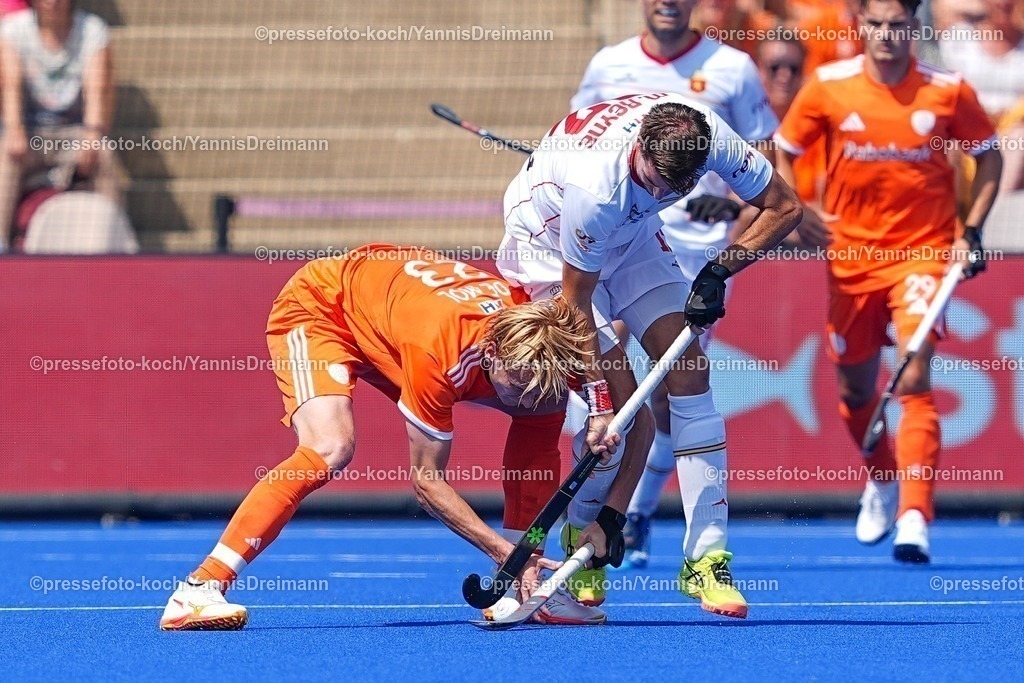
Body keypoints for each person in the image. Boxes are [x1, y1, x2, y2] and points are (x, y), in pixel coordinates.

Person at [160, 244, 606, 630]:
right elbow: (426, 484)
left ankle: (521, 590)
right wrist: (503, 551)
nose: (525, 395)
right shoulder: (440, 353)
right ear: (491, 352)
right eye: (519, 381)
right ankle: (198, 588)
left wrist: (523, 561)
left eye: (538, 381)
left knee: (546, 408)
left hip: (391, 309)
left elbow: (618, 409)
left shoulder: (551, 346)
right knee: (330, 446)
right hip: (325, 307)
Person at [496, 93, 802, 619]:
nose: (662, 193)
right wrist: (597, 402)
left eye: (674, 188)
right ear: (639, 146)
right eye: (654, 181)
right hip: (548, 252)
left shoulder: (712, 141)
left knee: (690, 373)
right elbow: (575, 306)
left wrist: (720, 270)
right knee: (616, 411)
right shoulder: (597, 190)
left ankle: (707, 561)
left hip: (633, 240)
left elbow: (787, 207)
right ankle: (581, 542)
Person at [568, 0, 778, 610]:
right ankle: (587, 538)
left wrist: (733, 235)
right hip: (591, 240)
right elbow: (584, 129)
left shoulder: (732, 69)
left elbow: (772, 182)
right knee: (606, 393)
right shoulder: (608, 64)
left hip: (689, 247)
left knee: (678, 381)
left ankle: (698, 553)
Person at [775, 0, 1002, 564]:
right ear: (859, 25)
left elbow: (990, 157)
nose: (885, 35)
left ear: (914, 27)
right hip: (849, 261)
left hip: (922, 256)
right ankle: (880, 477)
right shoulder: (828, 86)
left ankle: (914, 515)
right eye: (874, 24)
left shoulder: (948, 90)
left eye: (897, 24)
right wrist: (796, 210)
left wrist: (970, 230)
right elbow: (785, 149)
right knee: (855, 390)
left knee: (914, 373)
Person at [0, 0, 120, 248]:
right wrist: (14, 129)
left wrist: (93, 134)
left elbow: (97, 91)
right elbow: (9, 87)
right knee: (5, 159)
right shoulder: (12, 30)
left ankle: (117, 243)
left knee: (104, 156)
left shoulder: (93, 31)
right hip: (31, 133)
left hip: (74, 132)